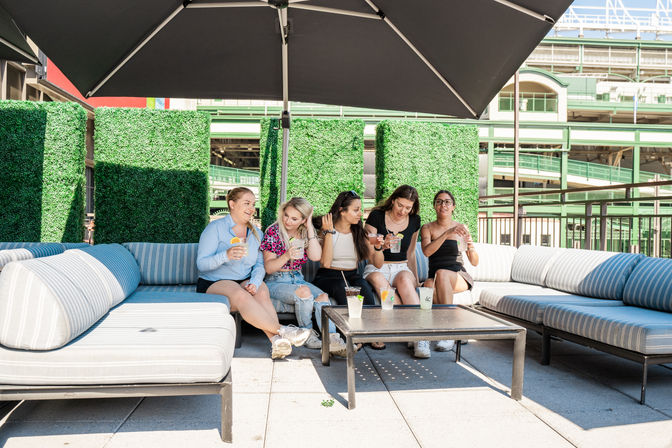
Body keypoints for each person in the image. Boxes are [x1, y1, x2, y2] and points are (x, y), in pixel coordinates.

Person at [196, 187, 311, 360]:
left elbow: (259, 265)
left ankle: (277, 342)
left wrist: (255, 282)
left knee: (262, 291)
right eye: (246, 203)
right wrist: (225, 255)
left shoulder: (256, 233)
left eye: (253, 204)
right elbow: (201, 264)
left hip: (244, 279)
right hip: (214, 281)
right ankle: (283, 331)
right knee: (240, 295)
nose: (251, 208)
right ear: (232, 204)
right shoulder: (215, 228)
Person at [261, 197, 347, 356]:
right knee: (305, 292)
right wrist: (286, 256)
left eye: (294, 219)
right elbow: (269, 268)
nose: (288, 221)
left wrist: (309, 228)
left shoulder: (303, 232)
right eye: (286, 215)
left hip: (297, 278)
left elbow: (315, 257)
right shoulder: (273, 231)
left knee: (322, 296)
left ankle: (333, 339)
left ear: (303, 220)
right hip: (276, 280)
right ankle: (307, 335)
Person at [363, 185, 427, 356]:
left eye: (408, 207)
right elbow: (369, 249)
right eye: (400, 205)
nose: (403, 211)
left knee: (406, 281)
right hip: (378, 266)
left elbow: (412, 251)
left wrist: (415, 276)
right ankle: (407, 329)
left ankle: (420, 337)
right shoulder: (376, 216)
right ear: (393, 200)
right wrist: (381, 245)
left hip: (402, 266)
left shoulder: (415, 220)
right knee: (381, 284)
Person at [420, 189, 479, 353]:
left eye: (447, 202)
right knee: (428, 285)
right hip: (435, 275)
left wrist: (471, 245)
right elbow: (426, 252)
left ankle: (448, 332)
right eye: (439, 201)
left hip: (458, 275)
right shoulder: (427, 228)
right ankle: (448, 329)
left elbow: (474, 262)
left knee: (443, 274)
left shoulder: (461, 228)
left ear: (453, 206)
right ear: (434, 206)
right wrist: (446, 234)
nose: (443, 205)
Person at [311, 190, 384, 320]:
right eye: (356, 210)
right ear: (342, 211)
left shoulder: (360, 233)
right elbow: (326, 263)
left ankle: (370, 334)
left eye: (360, 210)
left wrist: (378, 247)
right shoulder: (326, 229)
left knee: (365, 290)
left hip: (353, 275)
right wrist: (328, 232)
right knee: (342, 289)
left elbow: (378, 264)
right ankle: (350, 334)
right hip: (328, 276)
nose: (360, 214)